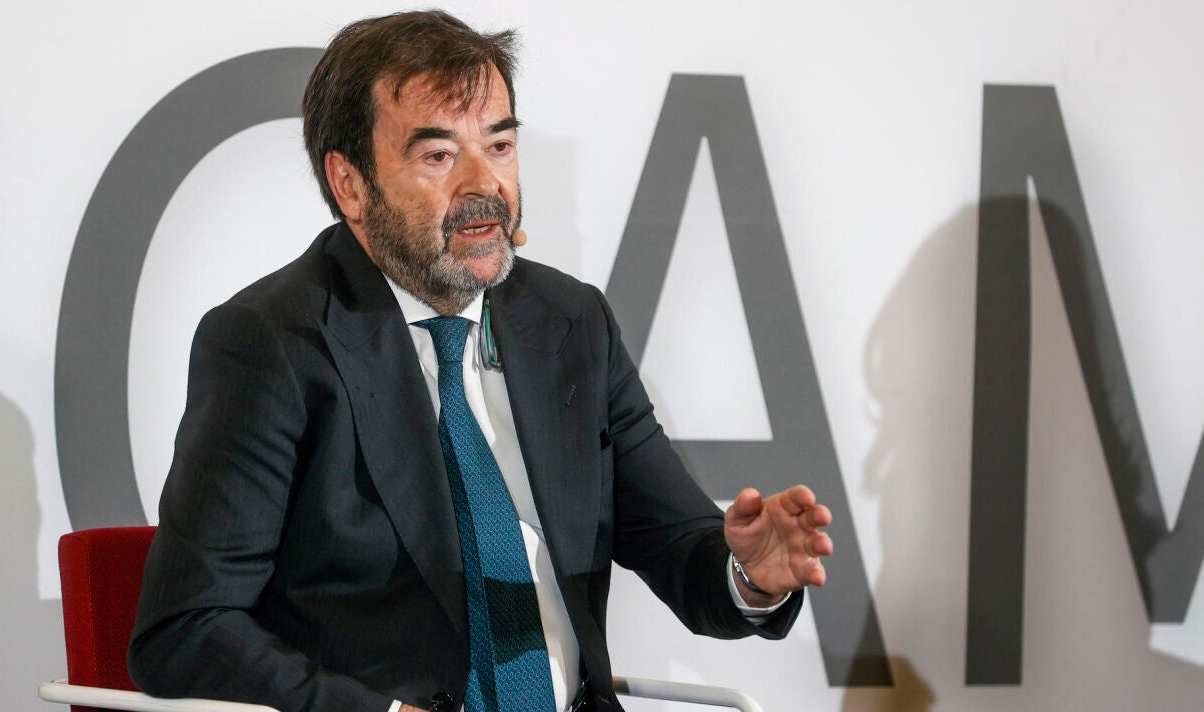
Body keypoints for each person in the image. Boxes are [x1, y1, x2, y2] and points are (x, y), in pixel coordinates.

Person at [128, 9, 833, 712]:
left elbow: (680, 549)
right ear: (350, 184)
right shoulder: (272, 342)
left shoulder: (570, 323)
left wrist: (750, 573)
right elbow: (186, 630)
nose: (484, 184)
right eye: (438, 156)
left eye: (499, 146)